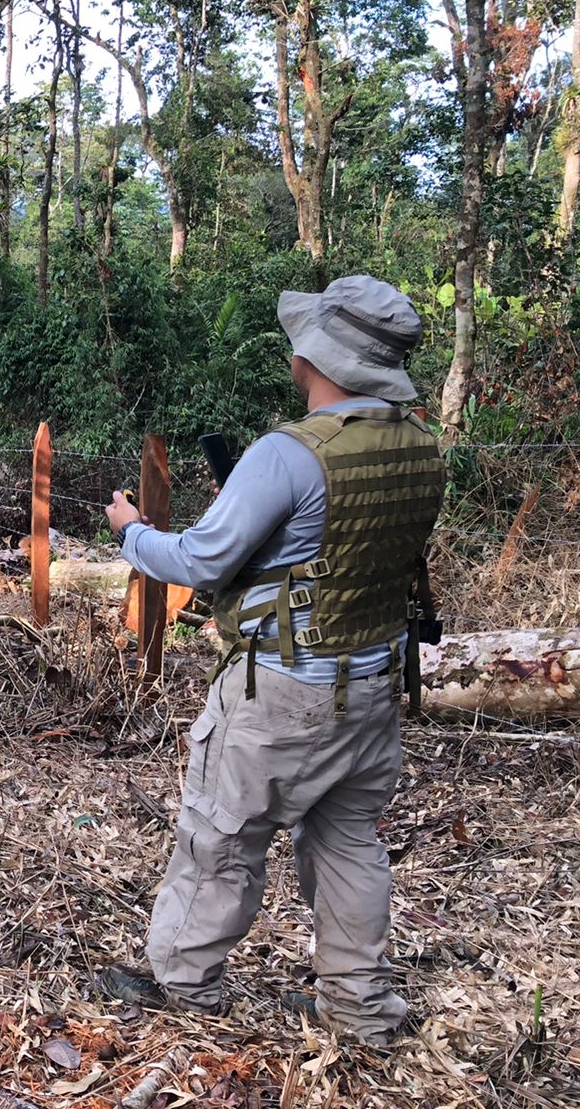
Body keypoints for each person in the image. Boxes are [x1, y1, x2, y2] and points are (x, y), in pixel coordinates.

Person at [99, 275, 446, 1048]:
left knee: (221, 836)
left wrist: (130, 530)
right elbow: (341, 553)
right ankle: (360, 1007)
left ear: (313, 356)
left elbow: (199, 560)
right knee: (349, 843)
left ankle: (184, 984)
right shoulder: (419, 447)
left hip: (283, 690)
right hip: (373, 685)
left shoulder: (288, 455)